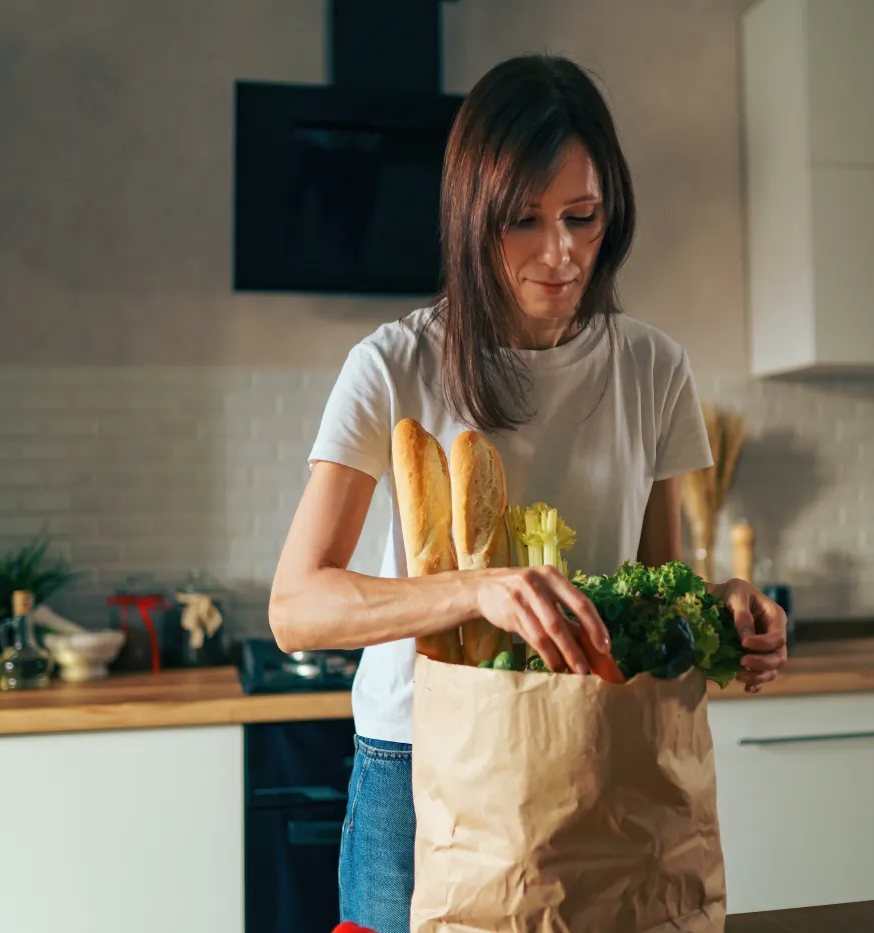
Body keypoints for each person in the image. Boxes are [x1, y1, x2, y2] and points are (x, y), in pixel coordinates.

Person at [269, 53, 788, 932]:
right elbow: (296, 606)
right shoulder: (391, 366)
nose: (561, 252)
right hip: (418, 765)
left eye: (582, 217)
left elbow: (663, 580)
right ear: (474, 219)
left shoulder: (654, 367)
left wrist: (725, 613)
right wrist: (479, 588)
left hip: (602, 751)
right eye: (524, 220)